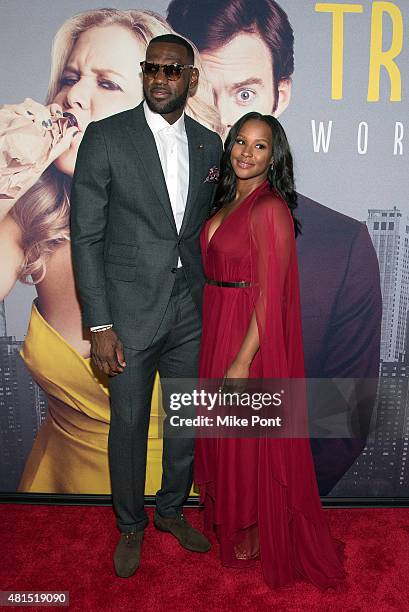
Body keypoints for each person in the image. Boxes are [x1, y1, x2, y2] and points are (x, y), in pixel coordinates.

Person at [167, 0, 382, 496]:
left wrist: (278, 500)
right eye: (202, 92)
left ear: (279, 96)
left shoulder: (340, 246)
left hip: (271, 491)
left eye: (244, 93)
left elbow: (345, 413)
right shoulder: (161, 224)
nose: (223, 122)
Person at [0, 9, 218, 494]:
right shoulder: (28, 221)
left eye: (107, 83)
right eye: (72, 77)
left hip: (186, 487)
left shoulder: (204, 207)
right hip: (55, 496)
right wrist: (7, 173)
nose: (74, 95)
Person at [70, 34, 223, 578]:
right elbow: (85, 236)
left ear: (191, 78)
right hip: (128, 315)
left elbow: (212, 229)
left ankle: (172, 510)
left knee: (183, 421)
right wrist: (100, 324)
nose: (161, 79)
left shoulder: (210, 145)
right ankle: (130, 525)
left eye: (172, 71)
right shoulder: (107, 137)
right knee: (129, 425)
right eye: (152, 69)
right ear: (144, 74)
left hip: (190, 310)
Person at [196, 111, 346, 590]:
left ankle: (252, 538)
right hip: (218, 324)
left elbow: (271, 294)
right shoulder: (225, 200)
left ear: (273, 156)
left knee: (246, 444)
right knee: (225, 438)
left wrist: (242, 360)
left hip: (248, 339)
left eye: (260, 146)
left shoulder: (270, 208)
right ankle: (236, 528)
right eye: (241, 141)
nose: (246, 152)